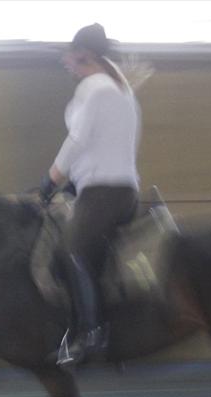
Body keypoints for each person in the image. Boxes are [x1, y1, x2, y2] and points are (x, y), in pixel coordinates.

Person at [37, 23, 142, 366]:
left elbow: (78, 140)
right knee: (78, 253)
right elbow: (106, 146)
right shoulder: (122, 91)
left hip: (103, 194)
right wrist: (74, 183)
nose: (65, 62)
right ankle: (90, 324)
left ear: (85, 55)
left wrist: (51, 179)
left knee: (70, 251)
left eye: (70, 56)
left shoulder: (93, 88)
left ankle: (92, 333)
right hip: (120, 190)